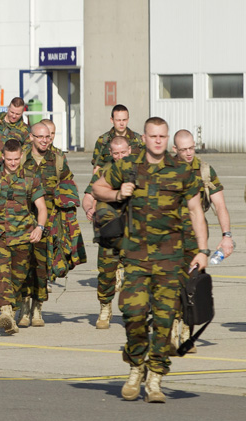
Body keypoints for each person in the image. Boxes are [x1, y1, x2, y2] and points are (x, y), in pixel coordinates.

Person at [92, 117, 209, 404]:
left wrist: (203, 250)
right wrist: (118, 193)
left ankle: (154, 378)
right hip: (135, 257)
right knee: (132, 314)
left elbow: (196, 212)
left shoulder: (182, 171)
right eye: (153, 136)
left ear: (167, 139)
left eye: (162, 136)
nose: (158, 141)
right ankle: (136, 366)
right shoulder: (127, 167)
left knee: (164, 319)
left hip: (171, 257)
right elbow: (98, 189)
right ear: (143, 138)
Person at [0, 139, 48, 335]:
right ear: (3, 157)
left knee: (18, 277)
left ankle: (11, 313)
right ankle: (6, 311)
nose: (13, 163)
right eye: (9, 159)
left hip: (24, 237)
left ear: (21, 156)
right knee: (2, 275)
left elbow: (41, 207)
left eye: (16, 159)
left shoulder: (31, 178)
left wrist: (39, 227)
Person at [171, 129, 235, 351]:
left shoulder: (205, 171)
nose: (189, 153)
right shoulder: (164, 169)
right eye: (184, 149)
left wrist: (226, 236)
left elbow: (220, 206)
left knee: (191, 285)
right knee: (169, 284)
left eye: (192, 148)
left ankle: (187, 330)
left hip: (196, 238)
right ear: (175, 150)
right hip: (166, 236)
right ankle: (170, 328)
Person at [16, 122, 79, 327]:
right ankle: (24, 307)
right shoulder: (21, 158)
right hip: (24, 222)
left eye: (48, 137)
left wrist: (68, 212)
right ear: (31, 137)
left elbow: (69, 183)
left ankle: (37, 309)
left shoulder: (58, 159)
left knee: (43, 267)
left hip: (50, 222)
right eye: (40, 137)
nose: (45, 140)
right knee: (24, 265)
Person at [82, 135, 132, 330]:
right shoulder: (103, 172)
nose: (120, 156)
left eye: (123, 153)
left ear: (129, 151)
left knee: (137, 272)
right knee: (106, 274)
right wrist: (89, 208)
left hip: (132, 230)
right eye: (116, 153)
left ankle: (133, 311)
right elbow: (88, 195)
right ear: (110, 153)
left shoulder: (139, 170)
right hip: (109, 231)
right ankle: (105, 307)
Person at [91, 104, 144, 176]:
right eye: (118, 120)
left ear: (128, 119)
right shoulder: (103, 141)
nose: (122, 123)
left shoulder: (139, 140)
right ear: (112, 120)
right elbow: (97, 168)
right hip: (109, 183)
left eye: (124, 120)